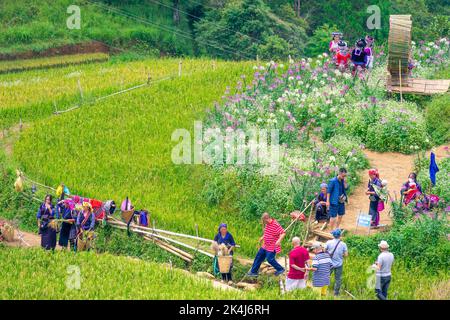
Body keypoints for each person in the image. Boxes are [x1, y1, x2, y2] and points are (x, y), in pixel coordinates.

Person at [247, 213, 286, 277]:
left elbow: (283, 233)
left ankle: (280, 269)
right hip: (265, 245)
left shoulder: (275, 224)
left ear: (267, 219)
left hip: (272, 246)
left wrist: (279, 240)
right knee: (258, 256)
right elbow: (267, 233)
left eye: (264, 221)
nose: (264, 223)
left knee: (270, 259)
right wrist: (262, 237)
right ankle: (253, 272)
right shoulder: (267, 224)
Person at [325, 229, 348, 296]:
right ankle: (336, 294)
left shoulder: (328, 242)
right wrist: (341, 255)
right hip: (339, 264)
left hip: (329, 263)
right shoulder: (343, 244)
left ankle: (324, 290)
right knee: (338, 279)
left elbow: (324, 250)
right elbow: (346, 255)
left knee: (326, 276)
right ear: (340, 235)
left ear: (333, 235)